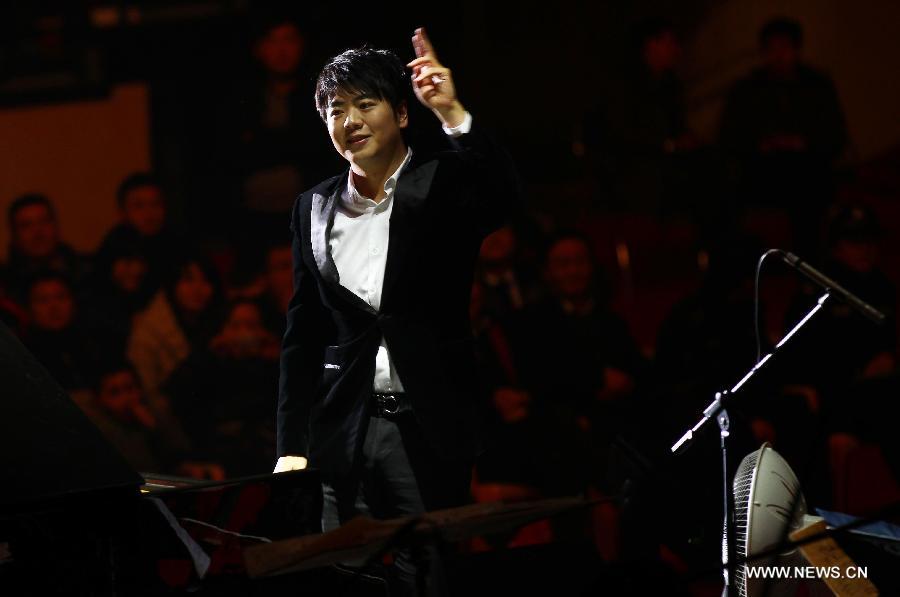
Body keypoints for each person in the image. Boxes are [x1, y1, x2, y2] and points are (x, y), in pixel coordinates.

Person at [273, 29, 518, 596]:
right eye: (336, 109)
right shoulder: (311, 206)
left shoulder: (441, 184)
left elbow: (505, 196)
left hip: (426, 426)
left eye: (365, 104)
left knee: (430, 578)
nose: (350, 120)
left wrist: (453, 113)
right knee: (339, 577)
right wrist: (291, 443)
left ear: (402, 114)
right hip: (342, 431)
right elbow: (303, 331)